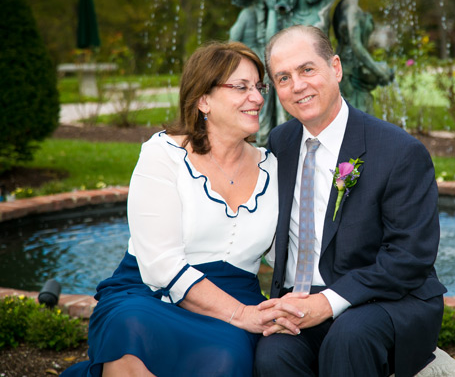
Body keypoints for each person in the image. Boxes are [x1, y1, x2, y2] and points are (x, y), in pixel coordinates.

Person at [61, 42, 303, 377]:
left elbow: (286, 257)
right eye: (241, 87)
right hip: (146, 292)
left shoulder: (274, 168)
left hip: (235, 296)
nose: (259, 98)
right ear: (204, 99)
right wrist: (241, 315)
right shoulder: (163, 155)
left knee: (226, 358)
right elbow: (160, 265)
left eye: (258, 87)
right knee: (129, 327)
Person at [254, 25, 447, 377]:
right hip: (300, 297)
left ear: (336, 68)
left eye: (307, 69)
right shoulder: (280, 143)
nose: (297, 85)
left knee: (349, 337)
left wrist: (326, 303)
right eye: (283, 77)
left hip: (388, 300)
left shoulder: (399, 151)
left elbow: (410, 256)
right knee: (271, 355)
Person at [333, 0, 393, 113]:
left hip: (348, 67)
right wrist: (378, 71)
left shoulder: (341, 7)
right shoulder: (351, 9)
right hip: (351, 71)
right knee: (358, 120)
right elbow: (356, 46)